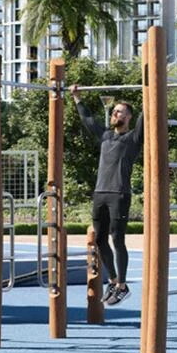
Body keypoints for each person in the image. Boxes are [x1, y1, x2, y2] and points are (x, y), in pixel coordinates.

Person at [72, 87, 143, 305]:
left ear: (129, 117)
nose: (115, 113)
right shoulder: (105, 136)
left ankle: (122, 285)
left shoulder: (133, 138)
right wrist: (77, 98)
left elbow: (146, 116)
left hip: (119, 194)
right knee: (100, 240)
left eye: (120, 111)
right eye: (114, 111)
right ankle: (113, 280)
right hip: (100, 193)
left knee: (117, 239)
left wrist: (150, 90)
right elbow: (87, 120)